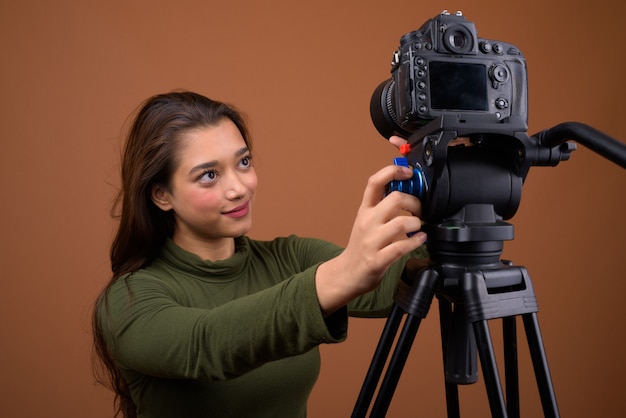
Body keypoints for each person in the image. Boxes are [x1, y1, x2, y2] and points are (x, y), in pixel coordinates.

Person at [92, 91, 428, 418]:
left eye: (243, 162)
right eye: (209, 175)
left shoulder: (292, 259)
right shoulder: (128, 300)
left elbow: (391, 287)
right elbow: (206, 345)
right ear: (162, 195)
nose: (239, 187)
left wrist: (443, 190)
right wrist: (342, 274)